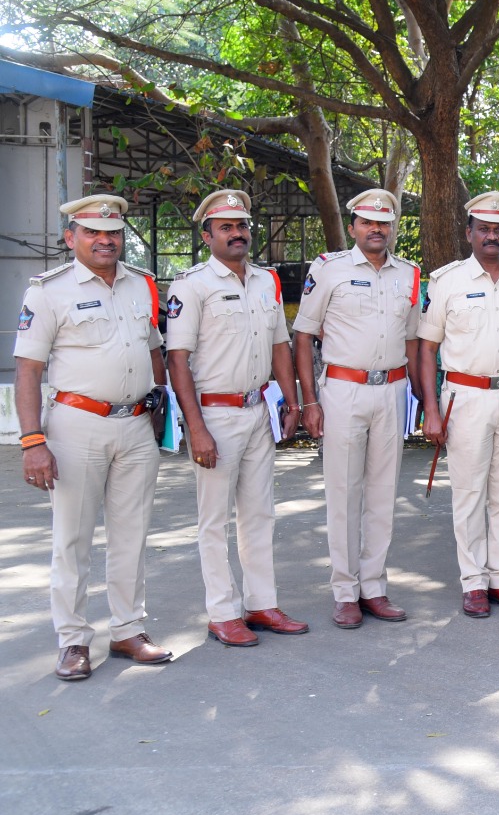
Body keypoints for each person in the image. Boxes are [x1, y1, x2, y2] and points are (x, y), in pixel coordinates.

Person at [14, 195, 173, 680]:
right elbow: (28, 371)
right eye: (92, 233)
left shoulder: (141, 285)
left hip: (135, 426)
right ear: (71, 238)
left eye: (113, 233)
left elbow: (154, 352)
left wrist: (159, 408)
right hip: (75, 426)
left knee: (132, 535)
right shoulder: (48, 291)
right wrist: (32, 441)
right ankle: (73, 641)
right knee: (73, 538)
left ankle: (127, 630)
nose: (105, 241)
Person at [165, 189, 307, 647]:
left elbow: (279, 346)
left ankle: (261, 603)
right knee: (214, 519)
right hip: (215, 415)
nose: (237, 233)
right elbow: (177, 360)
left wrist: (292, 401)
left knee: (259, 513)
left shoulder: (266, 281)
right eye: (225, 227)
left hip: (257, 409)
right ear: (206, 235)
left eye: (242, 225)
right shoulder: (191, 285)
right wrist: (196, 427)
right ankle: (222, 612)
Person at [292, 189, 421, 629]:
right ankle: (345, 591)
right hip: (344, 390)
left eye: (384, 223)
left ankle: (375, 587)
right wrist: (309, 400)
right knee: (343, 493)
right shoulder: (329, 270)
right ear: (353, 227)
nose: (376, 229)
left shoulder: (409, 275)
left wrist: (425, 401)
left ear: (392, 228)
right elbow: (304, 335)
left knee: (384, 494)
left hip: (393, 390)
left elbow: (413, 341)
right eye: (368, 222)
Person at [418, 191, 499, 620]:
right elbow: (426, 348)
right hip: (466, 396)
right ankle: (473, 583)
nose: (492, 236)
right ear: (469, 232)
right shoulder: (447, 281)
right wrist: (430, 409)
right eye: (484, 229)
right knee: (470, 493)